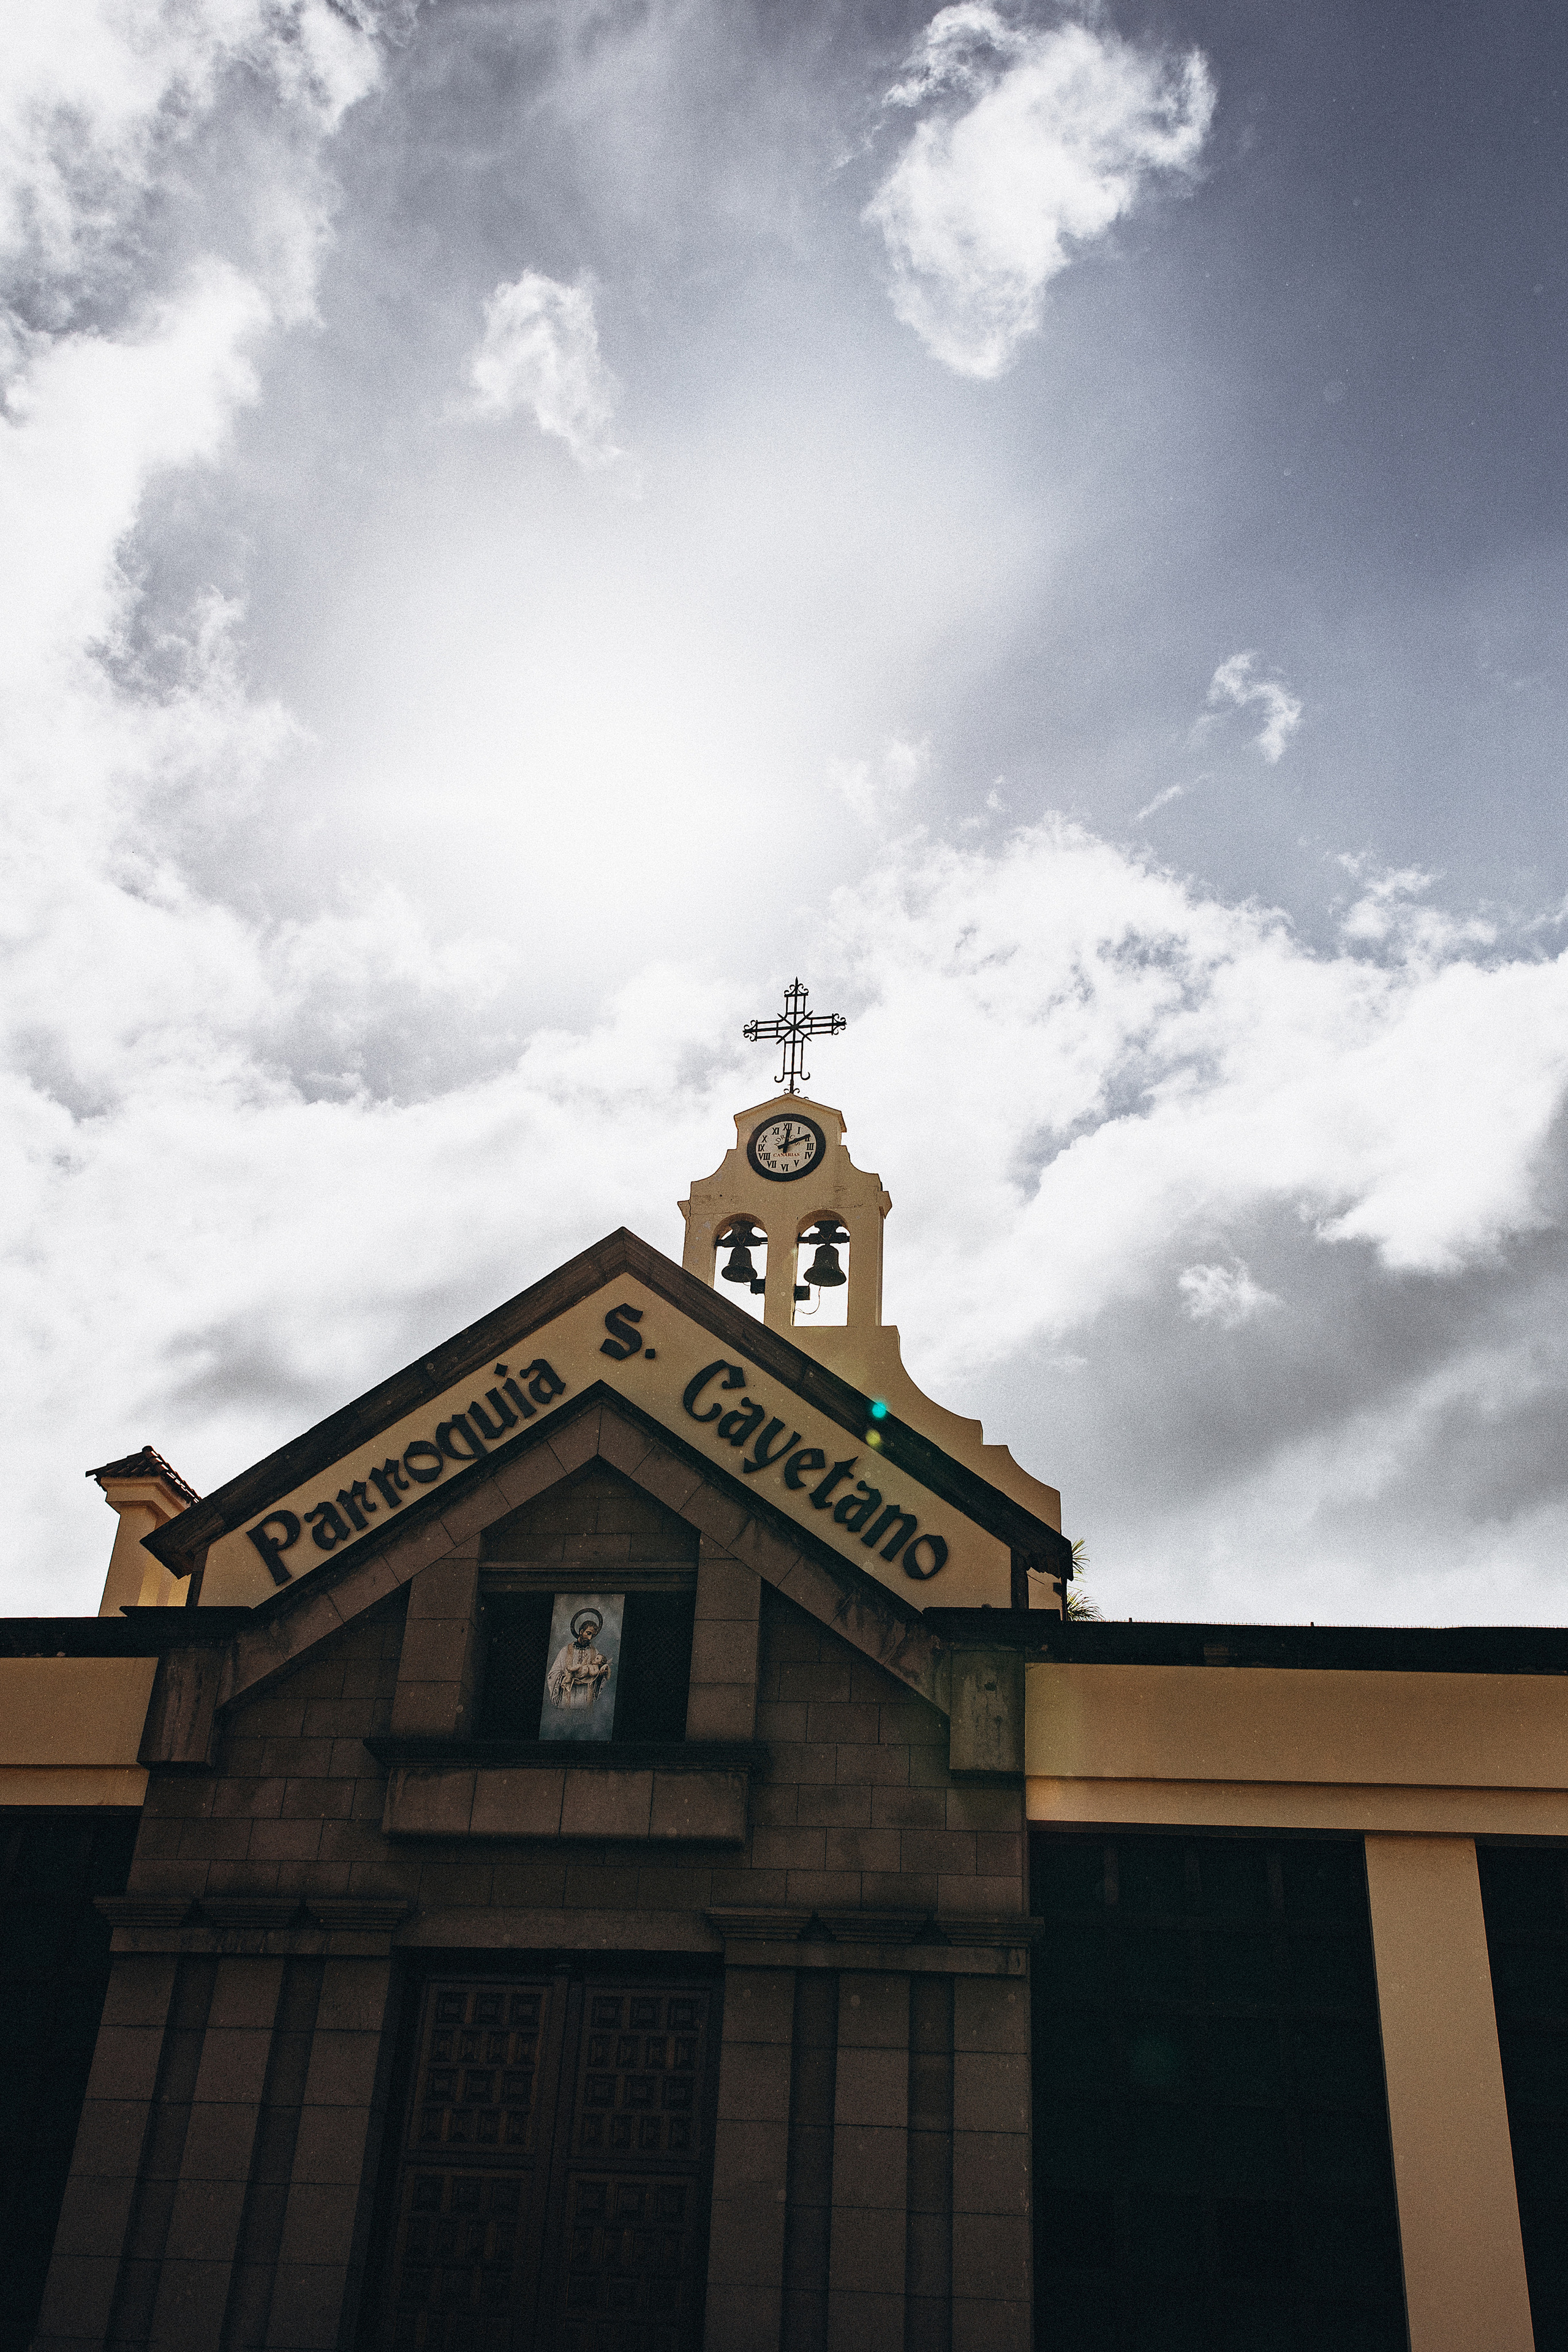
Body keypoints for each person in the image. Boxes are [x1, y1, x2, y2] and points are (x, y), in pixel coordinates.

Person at [545, 1608, 612, 1713]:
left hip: (585, 1699)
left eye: (593, 1635)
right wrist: (567, 1678)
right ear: (581, 1631)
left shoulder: (595, 1652)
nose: (590, 1638)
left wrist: (601, 1674)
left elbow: (598, 1674)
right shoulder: (566, 1650)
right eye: (588, 1633)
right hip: (568, 1697)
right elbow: (553, 1674)